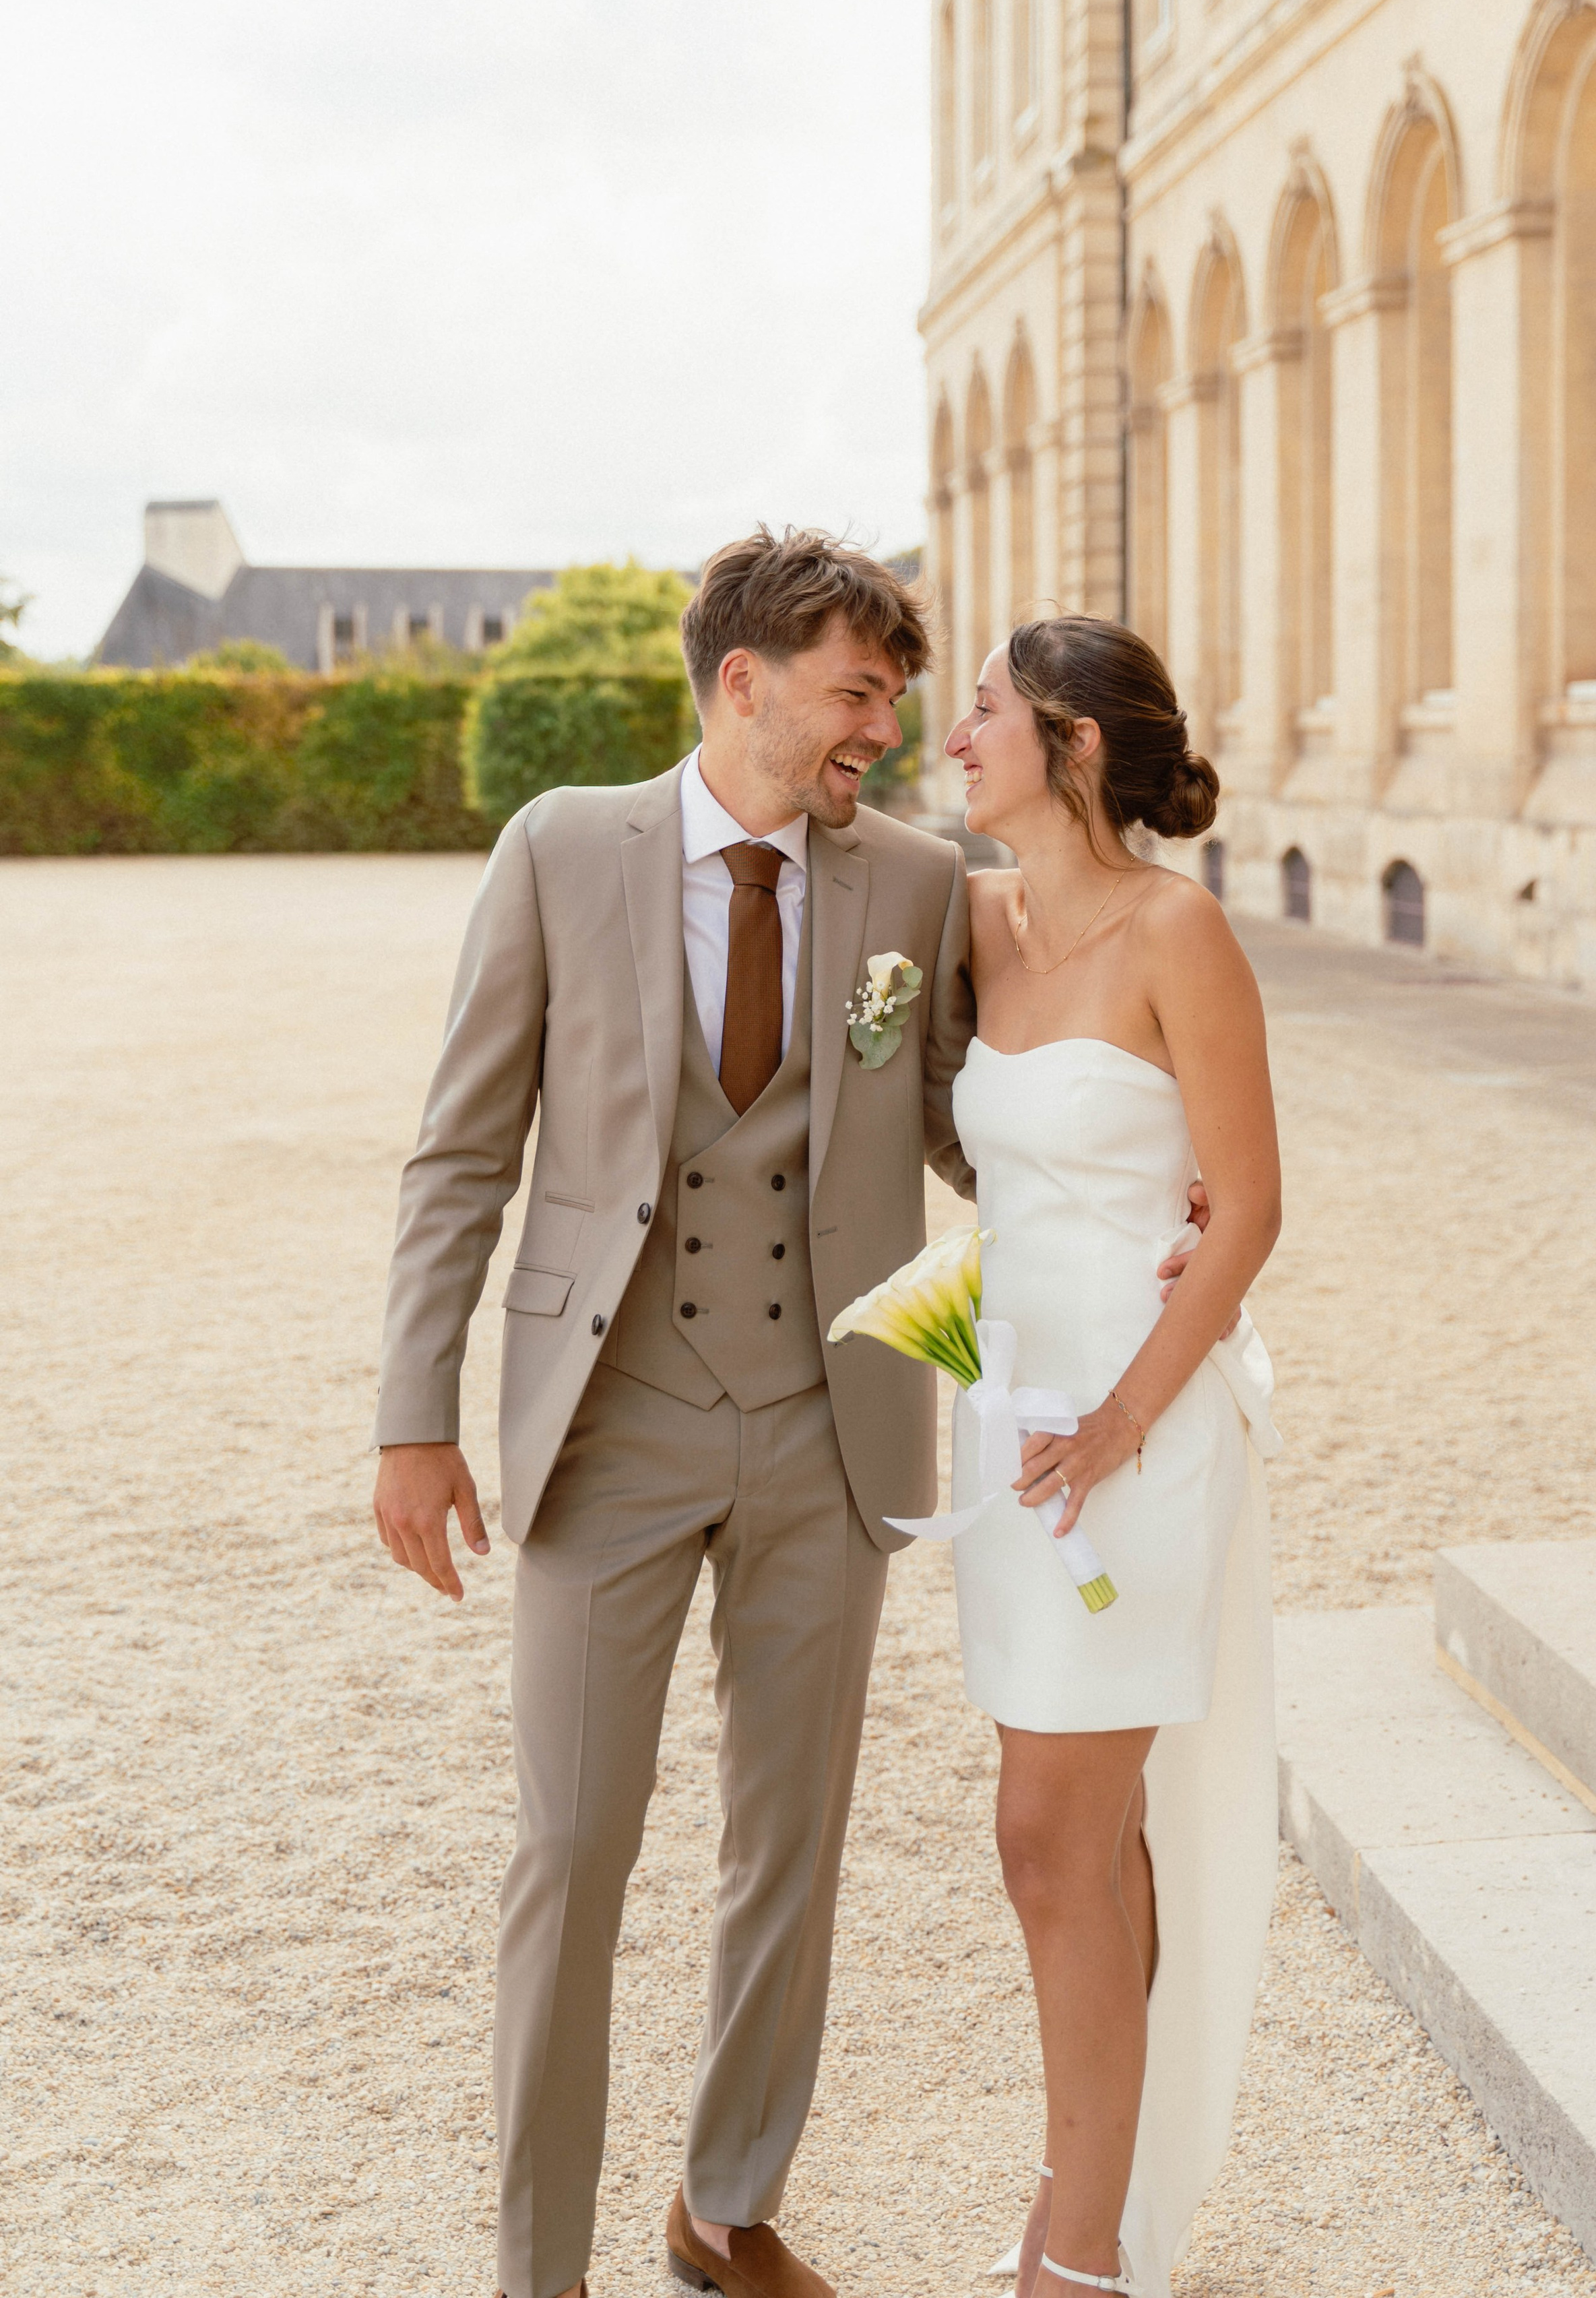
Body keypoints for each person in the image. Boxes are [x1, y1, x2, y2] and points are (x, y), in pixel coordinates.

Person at [369, 528, 982, 2298]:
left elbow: (953, 1121)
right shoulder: (567, 847)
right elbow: (463, 1146)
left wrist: (1119, 1184)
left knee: (790, 1839)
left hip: (837, 1420)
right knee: (570, 1844)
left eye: (895, 695)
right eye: (860, 689)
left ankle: (724, 2207)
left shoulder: (919, 886)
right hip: (609, 1425)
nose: (883, 725)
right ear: (747, 680)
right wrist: (413, 1419)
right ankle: (535, 2269)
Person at [942, 616, 1283, 2298]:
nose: (952, 734)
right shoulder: (972, 924)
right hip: (1011, 1427)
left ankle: (1072, 2258)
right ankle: (1104, 2201)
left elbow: (1250, 1206)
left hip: (1133, 1434)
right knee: (1086, 1840)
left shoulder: (1179, 931)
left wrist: (1126, 1419)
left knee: (1046, 1839)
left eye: (983, 709)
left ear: (1069, 743)